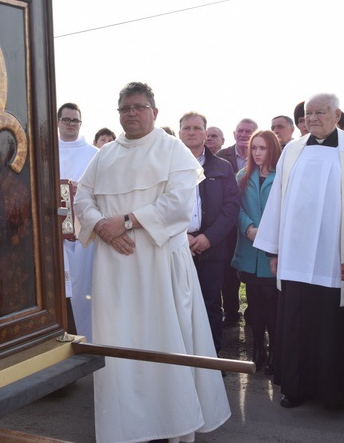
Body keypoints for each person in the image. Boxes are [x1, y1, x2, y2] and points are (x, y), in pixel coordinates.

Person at [74, 82, 230, 443]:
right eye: (125, 108)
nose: (131, 113)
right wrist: (102, 226)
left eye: (139, 107)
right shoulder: (105, 154)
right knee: (121, 341)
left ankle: (177, 423)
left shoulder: (173, 149)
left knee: (167, 339)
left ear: (154, 112)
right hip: (116, 266)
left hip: (160, 264)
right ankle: (126, 425)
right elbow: (83, 198)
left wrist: (125, 221)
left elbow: (178, 204)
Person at [254, 92, 344, 409]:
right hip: (295, 258)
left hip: (338, 258)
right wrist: (274, 251)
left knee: (335, 323)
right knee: (297, 322)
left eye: (320, 112)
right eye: (308, 113)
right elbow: (276, 203)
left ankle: (337, 392)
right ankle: (296, 388)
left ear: (337, 115)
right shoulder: (292, 151)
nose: (312, 118)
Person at [179, 112, 240, 354]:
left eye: (197, 128)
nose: (191, 132)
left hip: (212, 248)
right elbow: (159, 204)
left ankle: (212, 358)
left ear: (206, 133)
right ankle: (183, 358)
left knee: (211, 304)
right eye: (186, 128)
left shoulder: (222, 167)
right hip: (178, 245)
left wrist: (209, 238)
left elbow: (232, 206)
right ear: (180, 132)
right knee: (180, 304)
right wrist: (182, 235)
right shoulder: (167, 165)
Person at [231, 130, 281, 374]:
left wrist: (269, 234)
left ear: (272, 149)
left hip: (272, 253)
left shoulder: (282, 176)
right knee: (255, 305)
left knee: (272, 304)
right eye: (254, 148)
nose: (258, 153)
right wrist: (248, 227)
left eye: (263, 148)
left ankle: (275, 352)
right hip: (249, 253)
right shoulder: (242, 175)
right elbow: (235, 207)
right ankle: (258, 348)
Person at [57, 102, 98, 341]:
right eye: (67, 120)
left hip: (84, 237)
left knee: (84, 291)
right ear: (58, 122)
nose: (71, 124)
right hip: (55, 236)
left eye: (76, 120)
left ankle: (90, 342)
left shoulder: (94, 154)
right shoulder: (46, 150)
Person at [217, 118, 258, 326]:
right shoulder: (221, 157)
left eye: (248, 131)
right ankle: (231, 311)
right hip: (227, 226)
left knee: (252, 271)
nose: (243, 134)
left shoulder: (261, 156)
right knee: (228, 271)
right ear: (234, 134)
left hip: (251, 225)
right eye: (240, 131)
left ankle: (253, 312)